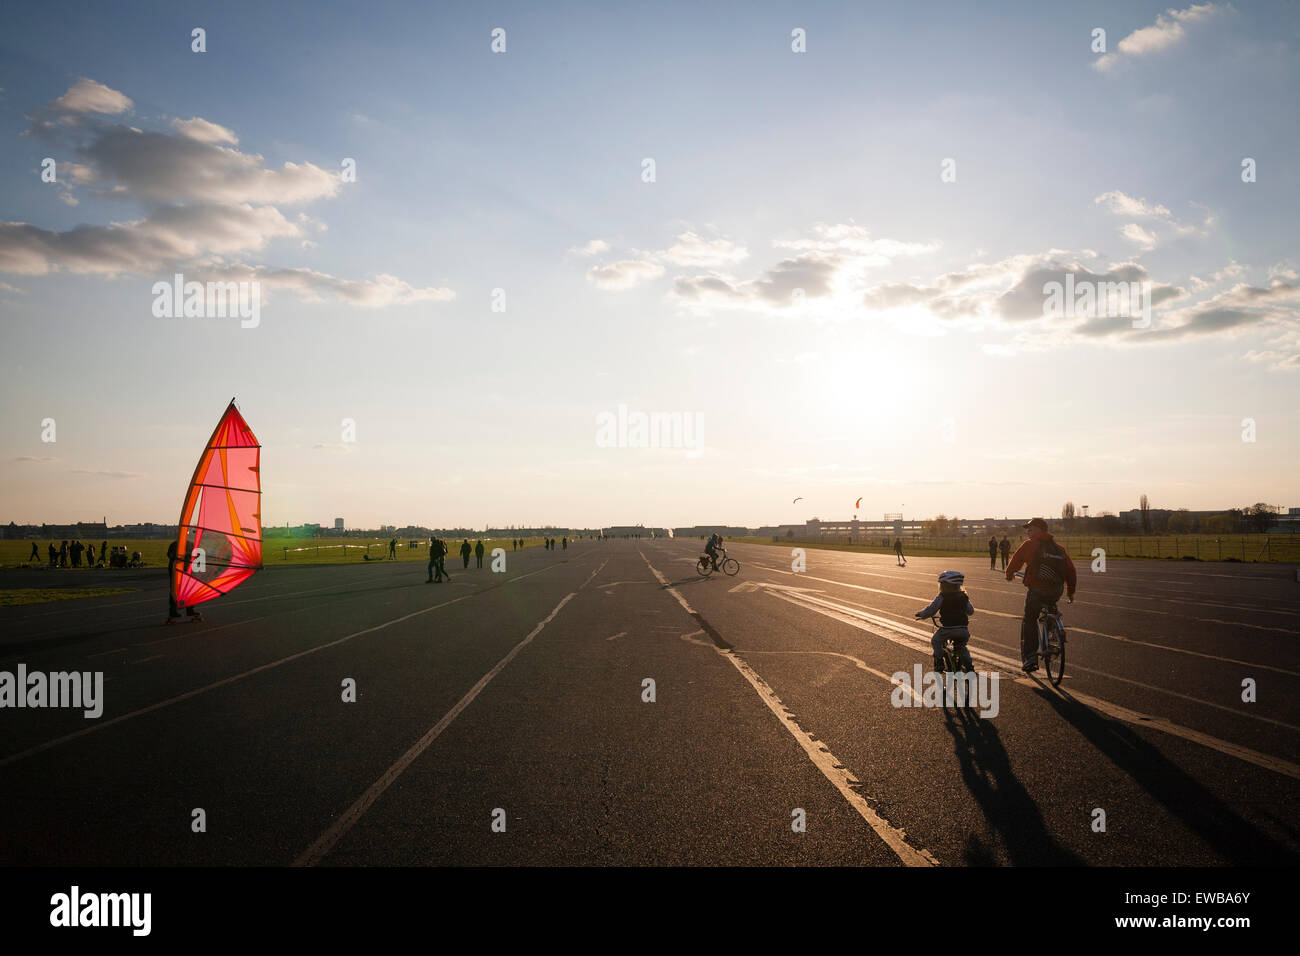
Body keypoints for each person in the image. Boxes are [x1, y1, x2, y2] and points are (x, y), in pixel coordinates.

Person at [1005, 518, 1076, 673]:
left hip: (1037, 590)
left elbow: (1015, 563)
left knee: (1030, 619)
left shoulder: (1029, 545)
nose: (1028, 532)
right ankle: (1052, 633)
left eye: (1030, 529)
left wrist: (1009, 575)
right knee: (1051, 607)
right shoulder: (1058, 548)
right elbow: (1071, 571)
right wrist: (1070, 592)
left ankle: (1030, 658)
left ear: (1038, 529)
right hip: (1056, 591)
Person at [915, 570, 975, 674]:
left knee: (935, 641)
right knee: (962, 647)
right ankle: (969, 667)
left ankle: (939, 662)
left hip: (947, 629)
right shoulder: (964, 597)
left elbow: (932, 609)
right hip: (963, 630)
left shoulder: (942, 597)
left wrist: (922, 614)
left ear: (945, 586)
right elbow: (970, 611)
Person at [166, 538, 201, 622]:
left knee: (189, 590)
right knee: (175, 590)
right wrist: (180, 556)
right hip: (175, 571)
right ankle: (173, 611)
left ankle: (190, 610)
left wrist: (195, 555)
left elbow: (197, 554)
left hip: (187, 570)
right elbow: (169, 555)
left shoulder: (190, 544)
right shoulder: (174, 544)